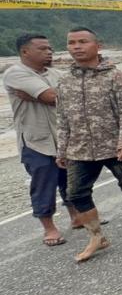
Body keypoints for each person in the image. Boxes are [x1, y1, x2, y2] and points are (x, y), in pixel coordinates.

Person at [56, 27, 122, 262]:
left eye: (83, 42)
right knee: (75, 193)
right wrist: (62, 149)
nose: (76, 47)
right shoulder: (65, 80)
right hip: (80, 149)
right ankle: (97, 237)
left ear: (98, 45)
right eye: (72, 42)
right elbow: (63, 117)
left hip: (114, 145)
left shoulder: (115, 76)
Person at [3, 33, 80, 246]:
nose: (49, 52)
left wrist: (53, 97)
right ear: (25, 51)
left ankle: (76, 217)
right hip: (36, 141)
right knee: (43, 184)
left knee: (70, 180)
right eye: (42, 49)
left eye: (50, 49)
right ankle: (49, 228)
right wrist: (53, 97)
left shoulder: (56, 73)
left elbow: (75, 96)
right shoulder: (15, 73)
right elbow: (52, 97)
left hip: (63, 138)